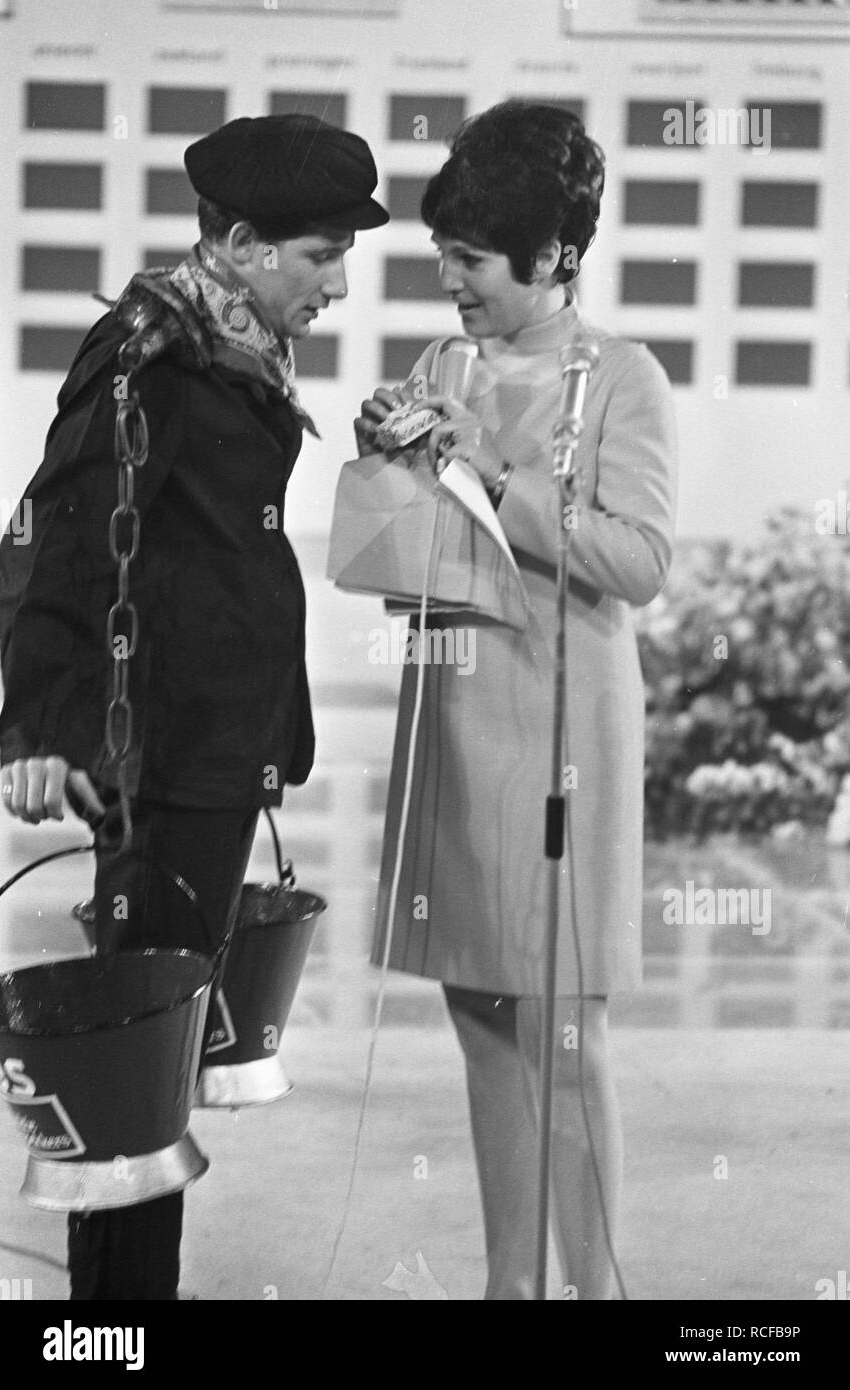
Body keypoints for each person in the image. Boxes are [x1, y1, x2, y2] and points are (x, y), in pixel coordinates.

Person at [0, 113, 389, 1300]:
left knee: (160, 1061)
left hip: (217, 754)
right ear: (238, 241)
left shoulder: (226, 349)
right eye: (319, 255)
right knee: (132, 1073)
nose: (334, 284)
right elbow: (56, 534)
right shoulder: (147, 356)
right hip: (160, 762)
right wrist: (43, 729)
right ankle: (115, 1327)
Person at [355, 101, 677, 1300]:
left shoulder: (623, 380)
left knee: (564, 1035)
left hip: (561, 736)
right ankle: (510, 1291)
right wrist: (387, 454)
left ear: (552, 258)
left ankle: (601, 1294)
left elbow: (640, 561)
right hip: (452, 719)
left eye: (472, 260)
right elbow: (415, 544)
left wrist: (490, 473)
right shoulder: (442, 365)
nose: (449, 280)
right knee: (484, 1020)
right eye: (442, 253)